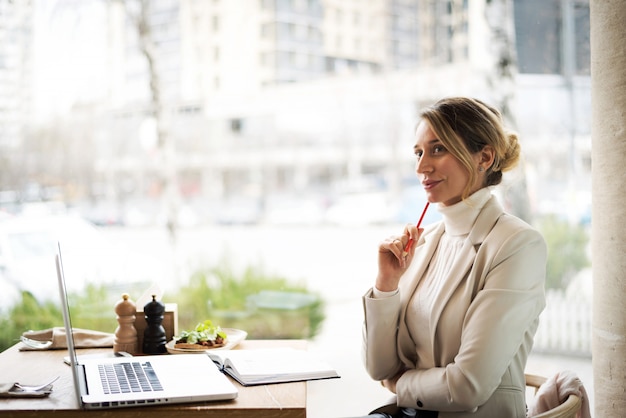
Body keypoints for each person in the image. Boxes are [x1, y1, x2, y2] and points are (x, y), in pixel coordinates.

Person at [360, 97, 547, 418]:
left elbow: (467, 387)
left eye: (437, 149)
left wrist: (400, 385)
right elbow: (380, 367)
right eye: (418, 153)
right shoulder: (423, 243)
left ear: (484, 157)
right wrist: (386, 285)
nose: (421, 167)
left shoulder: (517, 244)